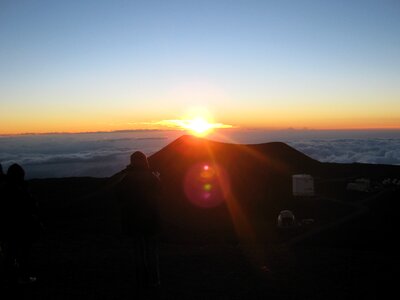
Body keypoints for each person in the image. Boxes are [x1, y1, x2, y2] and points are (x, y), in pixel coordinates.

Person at [116, 151, 162, 289]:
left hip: (133, 220)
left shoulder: (126, 178)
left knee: (138, 252)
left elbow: (120, 198)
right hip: (151, 220)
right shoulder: (152, 177)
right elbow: (159, 193)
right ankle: (155, 281)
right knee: (151, 251)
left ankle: (141, 282)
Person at [0, 164, 41, 284]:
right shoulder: (15, 190)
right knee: (20, 253)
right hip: (18, 227)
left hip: (9, 227)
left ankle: (11, 276)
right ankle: (19, 277)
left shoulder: (5, 188)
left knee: (11, 253)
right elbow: (28, 207)